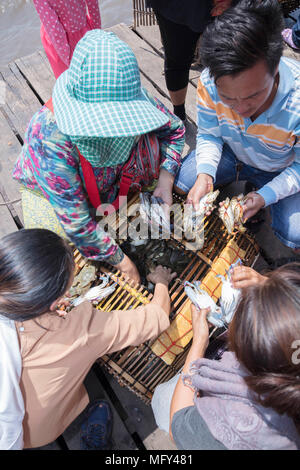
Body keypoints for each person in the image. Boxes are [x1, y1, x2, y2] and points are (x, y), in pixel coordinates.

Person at [13, 29, 185, 284]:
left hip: (114, 179)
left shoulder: (131, 96)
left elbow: (175, 130)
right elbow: (77, 224)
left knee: (152, 150)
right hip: (52, 193)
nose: (114, 131)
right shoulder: (48, 136)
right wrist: (124, 263)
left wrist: (165, 181)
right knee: (55, 251)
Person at [0, 228, 176, 449]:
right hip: (32, 431)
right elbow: (155, 318)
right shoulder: (81, 331)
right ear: (55, 303)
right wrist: (161, 282)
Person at [174, 0, 300, 252]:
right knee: (184, 184)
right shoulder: (209, 81)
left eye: (253, 96)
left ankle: (260, 194)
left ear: (275, 69)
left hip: (281, 166)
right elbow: (210, 134)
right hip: (231, 152)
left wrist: (267, 195)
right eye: (229, 99)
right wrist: (205, 174)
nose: (241, 109)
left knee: (294, 235)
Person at [151, 263, 300, 450]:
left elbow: (178, 426)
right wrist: (269, 289)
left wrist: (199, 341)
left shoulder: (244, 423)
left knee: (162, 399)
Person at [147, 0, 234, 121]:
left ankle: (229, 114)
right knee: (176, 60)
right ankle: (179, 113)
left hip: (225, 7)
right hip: (175, 7)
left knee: (229, 59)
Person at [33, 0, 101, 78]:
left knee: (67, 80)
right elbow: (93, 3)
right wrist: (96, 30)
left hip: (59, 45)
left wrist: (68, 59)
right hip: (83, 30)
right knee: (93, 74)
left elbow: (54, 29)